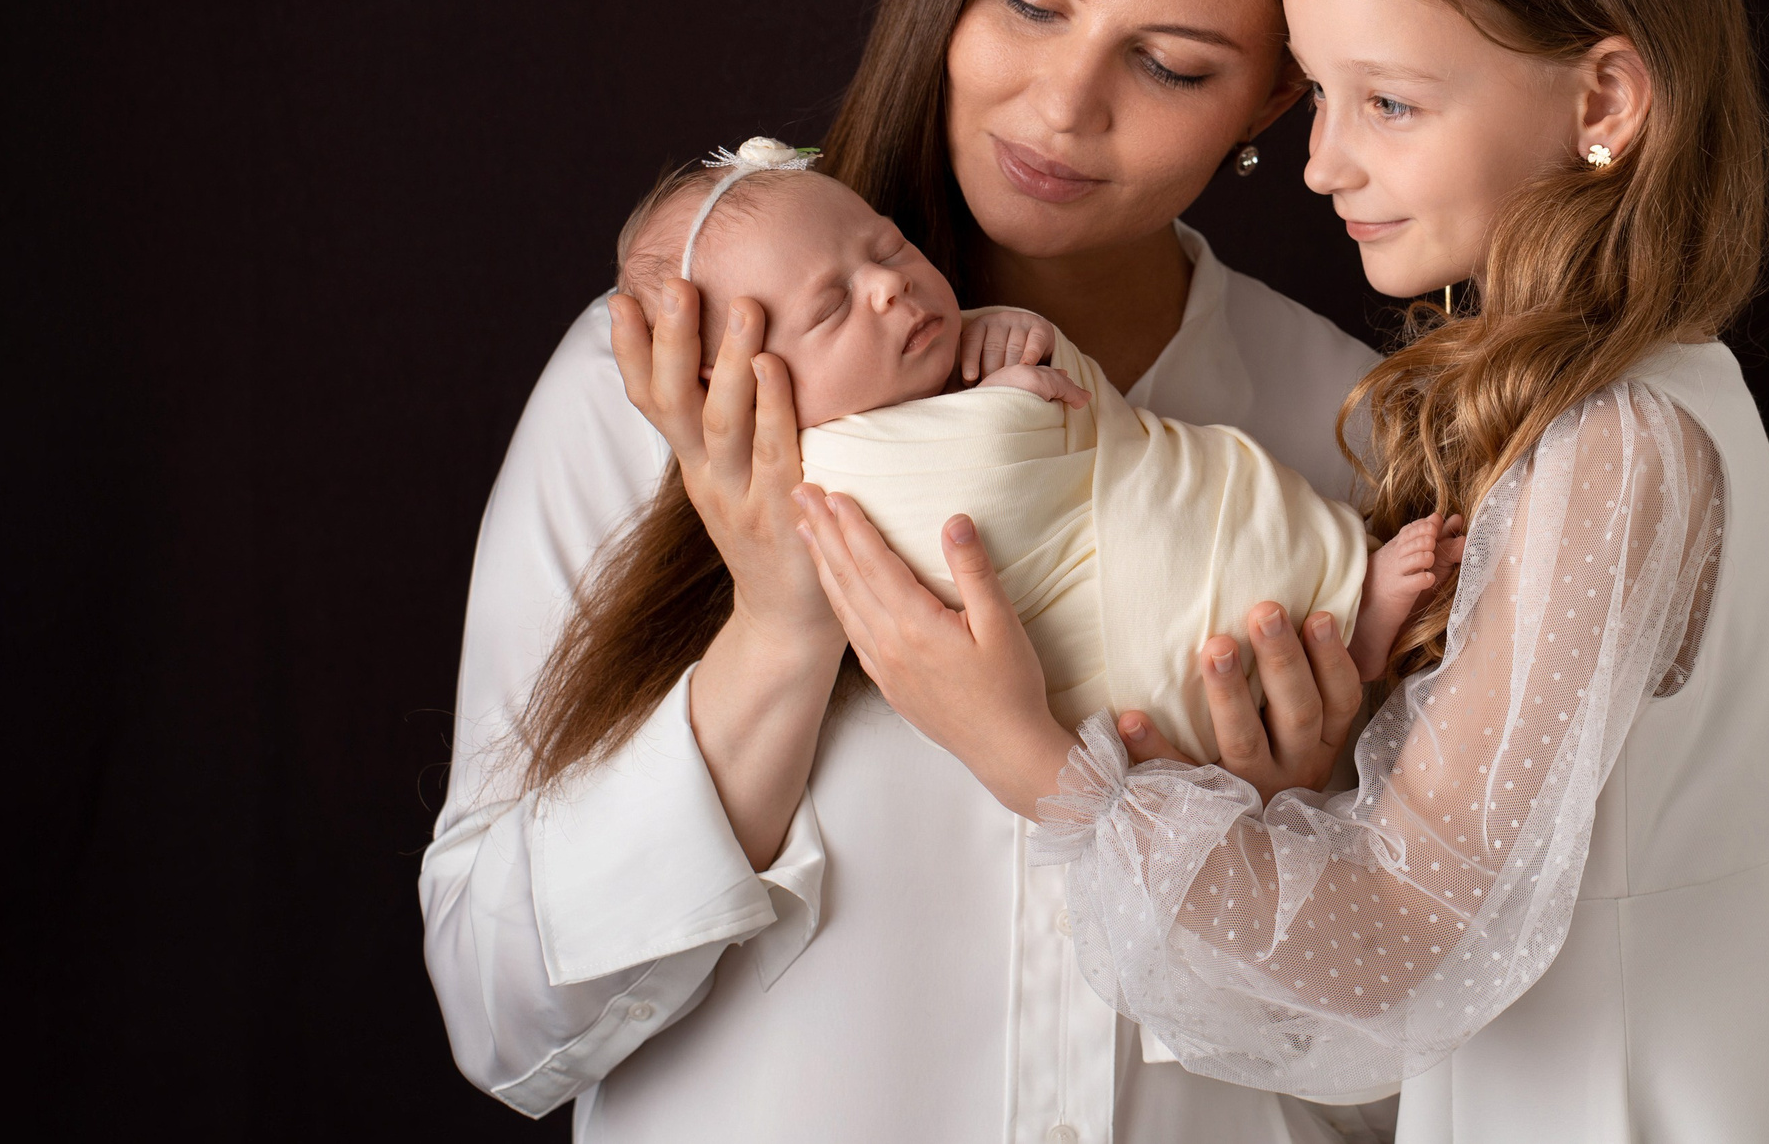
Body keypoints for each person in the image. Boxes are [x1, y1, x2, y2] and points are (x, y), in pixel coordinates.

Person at [796, 0, 1769, 1142]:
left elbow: (1403, 937)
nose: (1323, 163)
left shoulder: (1618, 440)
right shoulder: (1632, 402)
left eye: (1389, 102)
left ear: (1603, 104)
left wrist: (1025, 755)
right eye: (1318, 94)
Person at [421, 0, 1406, 1142]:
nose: (1061, 106)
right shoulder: (668, 389)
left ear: (1275, 99)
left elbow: (1419, 1083)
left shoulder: (1352, 431)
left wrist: (1283, 837)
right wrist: (779, 632)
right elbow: (502, 1017)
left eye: (1169, 65)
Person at [532, 143, 1449, 772]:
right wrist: (1009, 396)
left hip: (1184, 572)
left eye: (889, 246)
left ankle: (1347, 611)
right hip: (1127, 663)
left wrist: (1002, 338)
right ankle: (1346, 605)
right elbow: (989, 493)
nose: (888, 285)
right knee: (1196, 579)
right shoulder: (827, 466)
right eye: (830, 308)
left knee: (1231, 499)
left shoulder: (1348, 389)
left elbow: (1056, 395)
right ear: (738, 375)